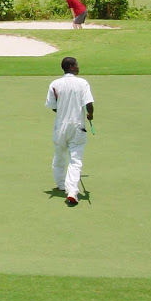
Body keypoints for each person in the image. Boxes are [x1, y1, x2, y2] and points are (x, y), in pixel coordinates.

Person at [44, 56, 94, 206]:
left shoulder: (54, 84)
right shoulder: (82, 83)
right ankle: (72, 191)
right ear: (71, 67)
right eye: (76, 65)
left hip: (60, 126)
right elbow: (88, 103)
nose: (78, 67)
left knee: (59, 155)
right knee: (75, 159)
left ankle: (61, 184)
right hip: (77, 126)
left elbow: (53, 106)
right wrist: (90, 114)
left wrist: (62, 112)